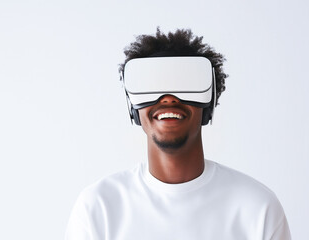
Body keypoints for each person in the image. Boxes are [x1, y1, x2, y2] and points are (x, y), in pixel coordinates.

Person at [65, 28, 291, 240]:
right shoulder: (98, 208)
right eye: (153, 86)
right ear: (133, 108)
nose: (169, 98)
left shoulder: (258, 208)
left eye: (185, 85)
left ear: (208, 104)